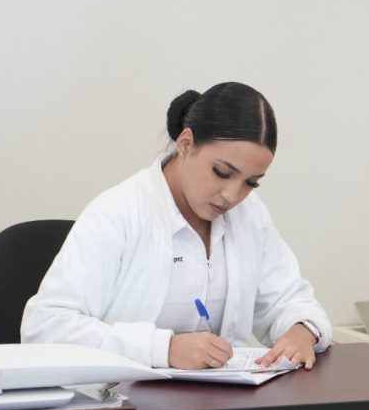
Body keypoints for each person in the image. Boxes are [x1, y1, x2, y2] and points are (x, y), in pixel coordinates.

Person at [22, 82, 331, 370]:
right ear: (186, 143)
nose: (232, 195)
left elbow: (288, 300)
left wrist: (303, 330)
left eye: (250, 183)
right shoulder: (118, 213)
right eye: (222, 172)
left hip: (223, 409)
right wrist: (163, 349)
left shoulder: (249, 215)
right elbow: (45, 327)